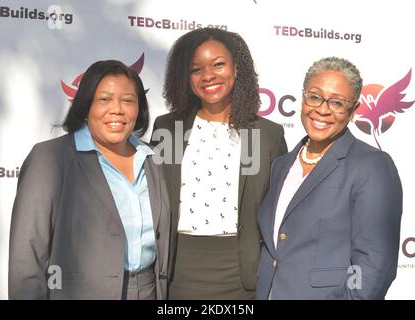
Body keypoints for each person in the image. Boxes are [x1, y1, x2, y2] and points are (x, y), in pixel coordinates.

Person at [9, 60, 170, 300]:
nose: (117, 109)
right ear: (86, 105)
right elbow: (27, 255)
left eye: (128, 100)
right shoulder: (50, 158)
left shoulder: (152, 159)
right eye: (104, 99)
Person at [150, 27, 287, 299]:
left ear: (236, 68)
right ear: (185, 77)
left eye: (218, 64)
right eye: (196, 69)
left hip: (241, 279)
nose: (208, 76)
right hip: (176, 274)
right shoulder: (166, 128)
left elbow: (280, 209)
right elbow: (153, 198)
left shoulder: (268, 134)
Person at [256, 57, 403, 300]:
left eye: (337, 102)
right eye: (315, 97)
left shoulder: (371, 165)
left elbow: (375, 264)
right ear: (303, 98)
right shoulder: (281, 165)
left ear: (353, 110)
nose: (322, 109)